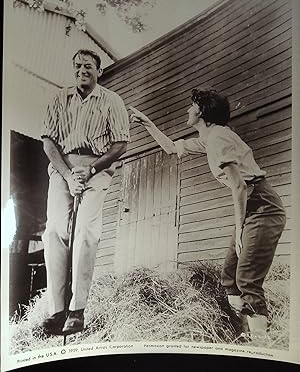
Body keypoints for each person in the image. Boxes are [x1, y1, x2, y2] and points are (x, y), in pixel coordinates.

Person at [130, 87, 286, 343]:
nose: (187, 110)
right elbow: (170, 147)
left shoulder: (218, 139)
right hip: (252, 205)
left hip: (263, 206)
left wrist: (239, 230)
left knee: (246, 277)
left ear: (201, 112)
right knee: (229, 274)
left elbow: (240, 186)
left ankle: (262, 343)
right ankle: (244, 332)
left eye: (191, 106)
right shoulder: (209, 136)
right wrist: (147, 122)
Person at [40, 49, 130, 335]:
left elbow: (120, 144)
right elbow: (48, 142)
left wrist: (89, 171)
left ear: (99, 71)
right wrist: (68, 175)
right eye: (77, 65)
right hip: (63, 167)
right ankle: (57, 311)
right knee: (55, 230)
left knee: (85, 232)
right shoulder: (59, 99)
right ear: (72, 69)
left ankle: (77, 311)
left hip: (96, 167)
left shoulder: (112, 101)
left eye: (88, 66)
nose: (82, 70)